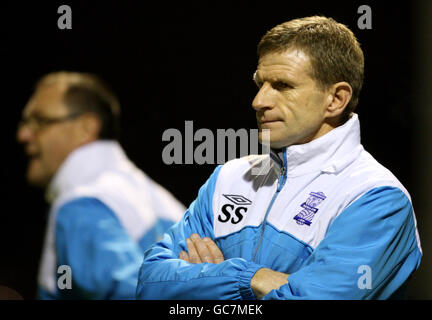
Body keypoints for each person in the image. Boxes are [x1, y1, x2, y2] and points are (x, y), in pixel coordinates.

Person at [136, 16, 422, 300]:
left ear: (336, 99)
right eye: (260, 84)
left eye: (283, 86)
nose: (259, 101)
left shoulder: (377, 197)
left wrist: (209, 282)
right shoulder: (229, 177)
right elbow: (150, 284)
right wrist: (252, 279)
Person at [17, 71, 186, 299]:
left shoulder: (80, 203)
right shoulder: (156, 197)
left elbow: (132, 293)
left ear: (86, 128)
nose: (23, 134)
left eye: (39, 121)